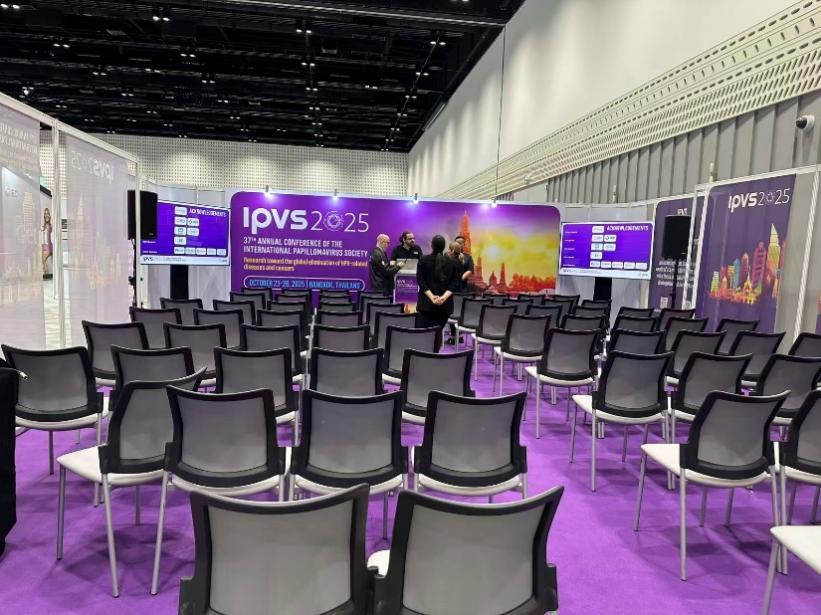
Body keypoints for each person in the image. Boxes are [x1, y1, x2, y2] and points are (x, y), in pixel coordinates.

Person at [416, 235, 460, 352]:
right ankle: (435, 356)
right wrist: (443, 298)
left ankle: (424, 357)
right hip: (444, 307)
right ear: (445, 247)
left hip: (426, 305)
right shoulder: (452, 263)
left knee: (424, 335)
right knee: (438, 331)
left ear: (431, 245)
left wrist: (431, 297)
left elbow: (420, 281)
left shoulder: (423, 260)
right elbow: (455, 284)